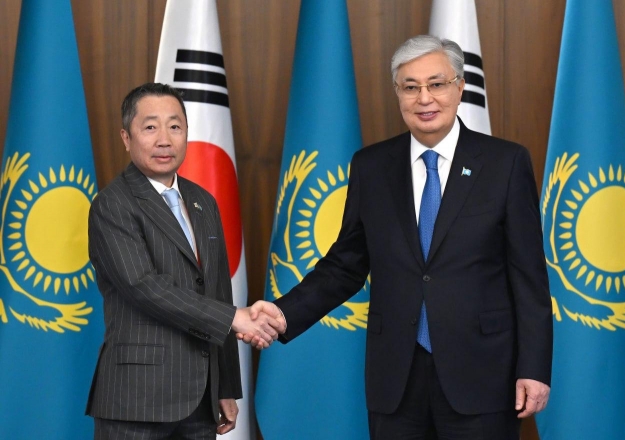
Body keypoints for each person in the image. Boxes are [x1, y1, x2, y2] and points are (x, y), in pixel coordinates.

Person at [242, 35, 552, 439]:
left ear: (459, 88)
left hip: (483, 374)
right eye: (411, 86)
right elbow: (345, 264)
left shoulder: (505, 163)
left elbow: (528, 276)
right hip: (396, 379)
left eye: (437, 84)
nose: (424, 98)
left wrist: (533, 369)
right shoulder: (371, 167)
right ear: (398, 93)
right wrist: (284, 313)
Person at [86, 83, 284, 439]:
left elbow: (218, 291)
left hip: (200, 399)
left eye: (175, 126)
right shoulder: (112, 204)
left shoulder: (203, 201)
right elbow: (143, 286)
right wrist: (236, 318)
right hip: (137, 399)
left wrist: (226, 385)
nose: (165, 139)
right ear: (126, 137)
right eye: (150, 127)